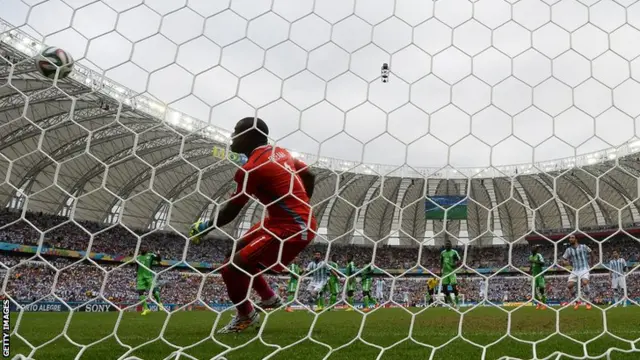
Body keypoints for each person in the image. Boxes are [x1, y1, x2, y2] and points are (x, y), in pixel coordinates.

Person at [190, 117, 317, 333]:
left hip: (293, 228)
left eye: (236, 131)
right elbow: (310, 174)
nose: (232, 136)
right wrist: (304, 203)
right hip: (279, 221)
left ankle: (245, 316)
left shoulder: (252, 168)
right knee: (234, 252)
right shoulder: (281, 152)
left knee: (231, 268)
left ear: (250, 135)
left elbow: (232, 210)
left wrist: (206, 227)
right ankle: (268, 298)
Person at [562, 234, 595, 310]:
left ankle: (588, 302)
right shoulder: (568, 250)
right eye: (569, 238)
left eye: (572, 238)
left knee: (585, 282)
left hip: (584, 268)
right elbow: (563, 259)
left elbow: (592, 253)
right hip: (575, 270)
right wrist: (565, 262)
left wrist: (592, 265)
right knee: (569, 285)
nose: (570, 239)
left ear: (576, 239)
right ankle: (577, 301)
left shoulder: (583, 246)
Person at [136, 248, 164, 315]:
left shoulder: (151, 255)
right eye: (142, 248)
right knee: (140, 292)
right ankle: (146, 309)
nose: (143, 249)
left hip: (149, 276)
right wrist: (137, 273)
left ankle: (160, 304)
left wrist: (158, 254)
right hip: (140, 277)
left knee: (155, 292)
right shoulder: (138, 257)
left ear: (147, 250)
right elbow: (137, 266)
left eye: (144, 248)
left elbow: (159, 260)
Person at [440, 241, 461, 310]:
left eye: (449, 244)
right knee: (445, 290)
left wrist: (455, 264)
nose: (447, 245)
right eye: (446, 244)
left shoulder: (454, 252)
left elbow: (459, 260)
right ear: (445, 246)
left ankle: (457, 304)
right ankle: (452, 303)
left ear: (451, 245)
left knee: (454, 288)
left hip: (452, 272)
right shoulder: (442, 253)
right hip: (445, 273)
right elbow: (441, 262)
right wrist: (440, 271)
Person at [529, 245, 547, 310]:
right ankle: (539, 303)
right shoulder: (530, 257)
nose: (532, 250)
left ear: (536, 250)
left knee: (541, 288)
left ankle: (544, 304)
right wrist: (529, 272)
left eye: (534, 248)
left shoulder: (539, 255)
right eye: (532, 248)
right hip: (534, 276)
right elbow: (531, 265)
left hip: (540, 274)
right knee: (533, 290)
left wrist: (534, 261)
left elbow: (543, 263)